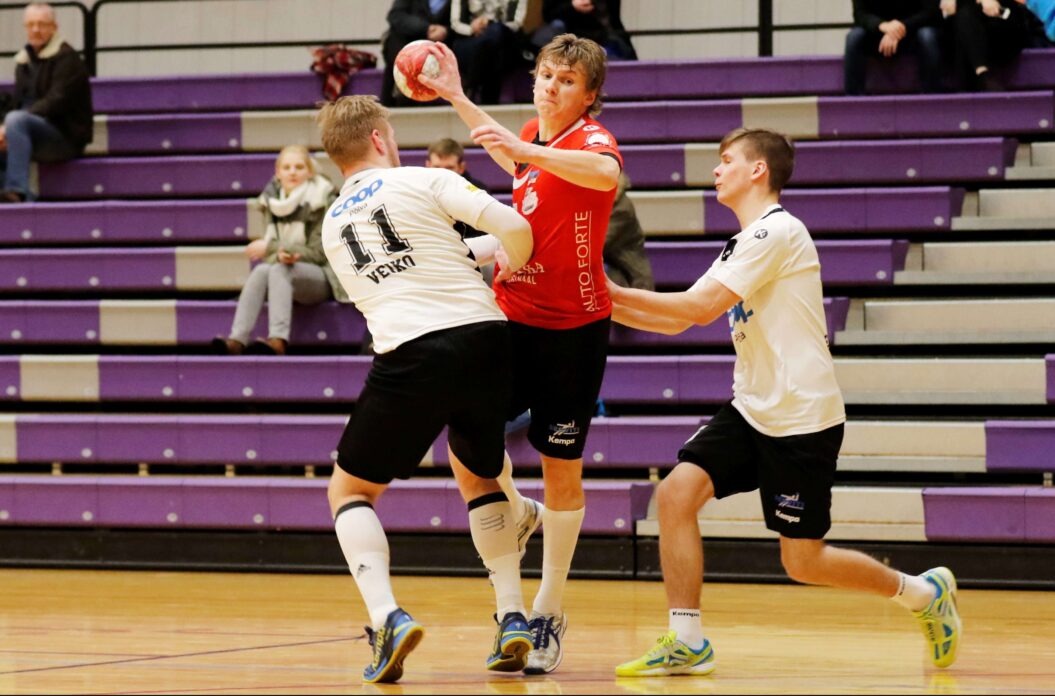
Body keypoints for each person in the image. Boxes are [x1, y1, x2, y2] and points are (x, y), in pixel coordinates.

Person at [608, 128, 962, 677]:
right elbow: (679, 319)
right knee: (675, 494)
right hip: (752, 408)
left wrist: (604, 292)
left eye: (727, 160)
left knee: (803, 561)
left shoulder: (777, 230)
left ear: (758, 170)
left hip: (801, 417)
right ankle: (688, 641)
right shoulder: (743, 241)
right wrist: (599, 304)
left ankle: (922, 593)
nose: (717, 170)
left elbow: (697, 309)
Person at [420, 34, 622, 674]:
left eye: (567, 80)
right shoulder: (533, 136)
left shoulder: (592, 142)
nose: (551, 87)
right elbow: (509, 154)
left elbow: (605, 175)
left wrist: (527, 150)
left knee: (561, 467)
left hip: (574, 330)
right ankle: (514, 525)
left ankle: (547, 609)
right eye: (545, 75)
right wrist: (455, 95)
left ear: (589, 95)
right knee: (466, 444)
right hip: (511, 317)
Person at [317, 95, 536, 683]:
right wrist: (512, 262)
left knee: (349, 491)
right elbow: (514, 228)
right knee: (479, 476)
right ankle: (513, 617)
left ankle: (386, 618)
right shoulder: (422, 179)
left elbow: (408, 273)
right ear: (380, 139)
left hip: (412, 350)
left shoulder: (332, 224)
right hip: (486, 339)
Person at [212, 146, 343, 356]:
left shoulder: (324, 199)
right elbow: (272, 254)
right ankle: (237, 340)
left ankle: (278, 340)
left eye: (299, 167)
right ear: (277, 173)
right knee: (261, 270)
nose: (292, 172)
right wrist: (279, 254)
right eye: (287, 167)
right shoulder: (271, 201)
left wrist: (273, 249)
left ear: (309, 172)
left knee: (279, 270)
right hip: (286, 271)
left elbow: (320, 254)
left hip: (325, 276)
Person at [0, 2, 92, 203]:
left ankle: (17, 190)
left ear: (54, 27)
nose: (36, 29)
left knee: (15, 120)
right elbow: (19, 102)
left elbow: (55, 101)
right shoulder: (24, 61)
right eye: (31, 24)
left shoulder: (67, 59)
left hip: (64, 137)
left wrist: (9, 127)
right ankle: (14, 197)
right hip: (29, 131)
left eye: (42, 24)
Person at [844, 0, 943, 95]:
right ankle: (853, 99)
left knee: (927, 36)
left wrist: (901, 27)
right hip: (877, 34)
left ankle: (932, 96)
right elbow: (860, 14)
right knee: (854, 37)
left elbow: (931, 12)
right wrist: (881, 25)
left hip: (912, 31)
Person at [448, 0, 532, 103]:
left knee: (496, 32)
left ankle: (471, 86)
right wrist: (471, 29)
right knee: (486, 47)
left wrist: (489, 24)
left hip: (504, 40)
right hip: (470, 40)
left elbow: (516, 23)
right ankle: (486, 96)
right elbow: (456, 23)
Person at [942, 0, 1031, 91]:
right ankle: (982, 75)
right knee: (964, 18)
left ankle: (980, 79)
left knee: (964, 22)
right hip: (963, 32)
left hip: (1003, 30)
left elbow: (1013, 13)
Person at [381, 0, 452, 106]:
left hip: (442, 41)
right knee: (396, 43)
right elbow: (396, 16)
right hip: (407, 37)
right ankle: (400, 90)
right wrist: (426, 29)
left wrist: (445, 31)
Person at [536, 0, 637, 60]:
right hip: (572, 38)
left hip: (604, 38)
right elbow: (548, 15)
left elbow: (614, 20)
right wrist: (572, 6)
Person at [604, 172, 654, 291]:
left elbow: (595, 244)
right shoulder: (605, 205)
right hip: (615, 275)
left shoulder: (621, 209)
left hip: (631, 281)